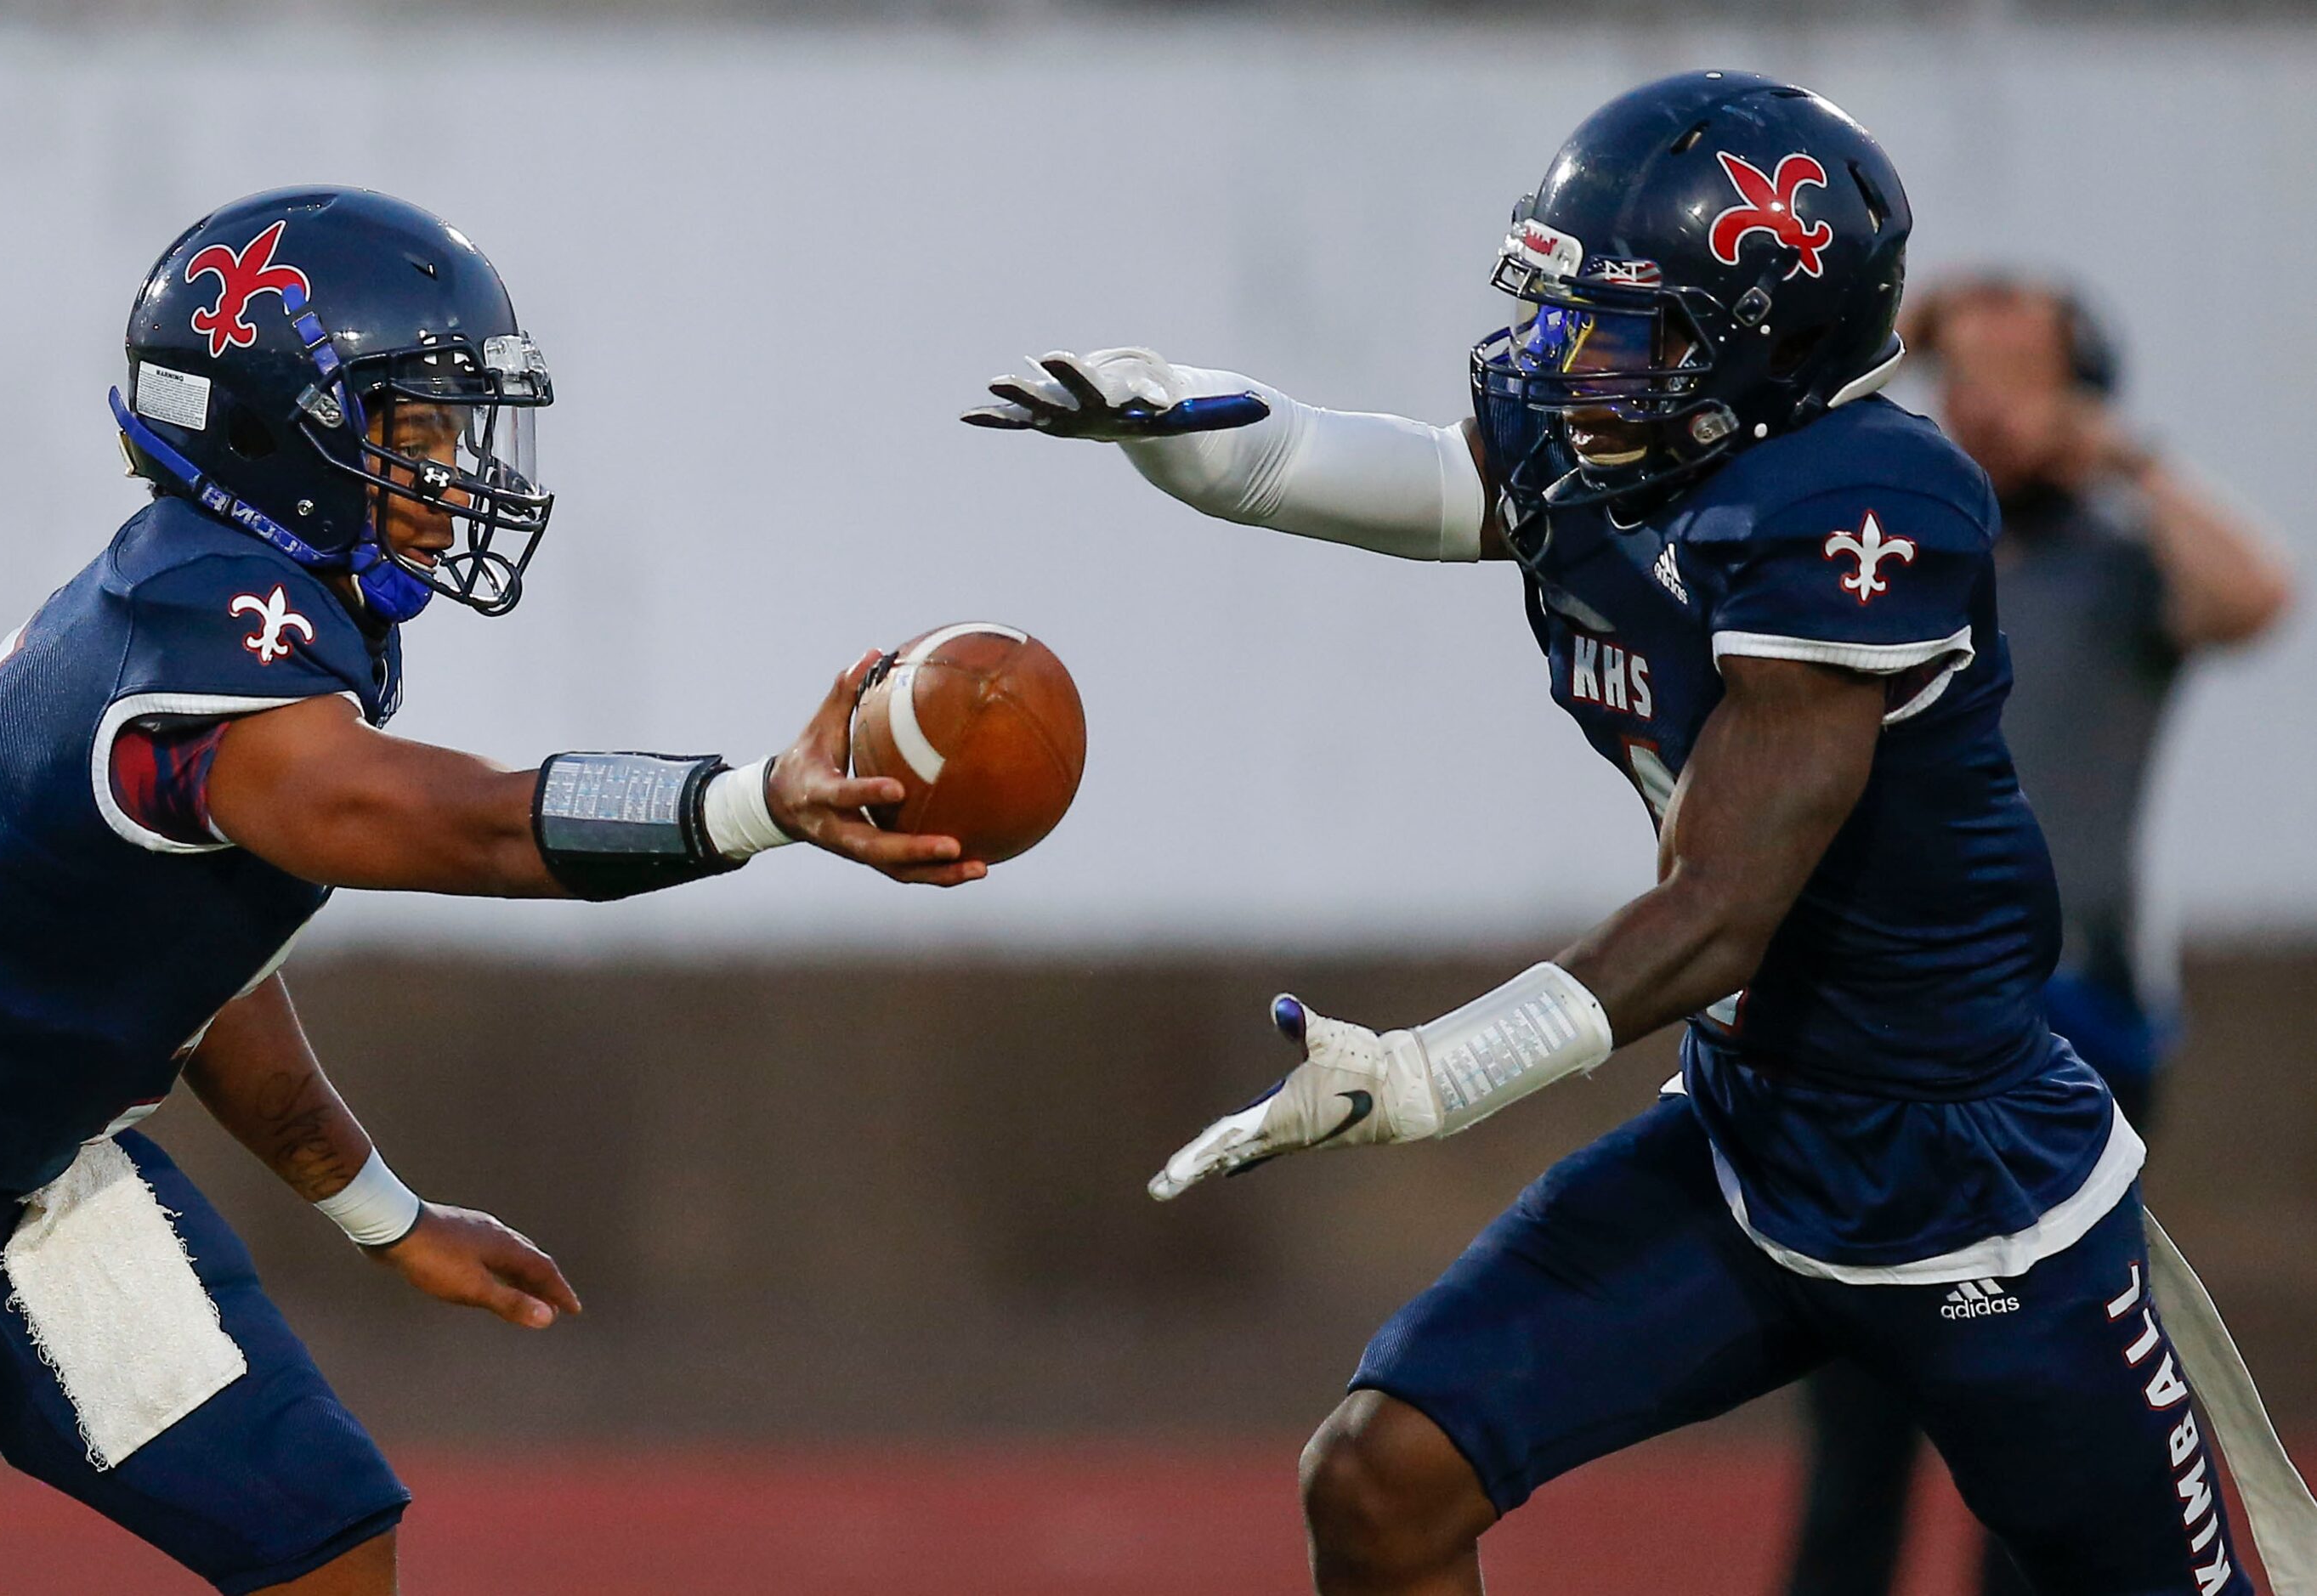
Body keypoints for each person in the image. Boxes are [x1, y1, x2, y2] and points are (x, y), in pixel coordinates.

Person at [970, 71, 2304, 1595]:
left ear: (1766, 351)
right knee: (1381, 1476)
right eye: (1559, 313)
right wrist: (1236, 451)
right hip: (1748, 1138)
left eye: (1618, 328)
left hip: (1967, 1181)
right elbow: (1451, 479)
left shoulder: (1861, 505)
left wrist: (1424, 1074)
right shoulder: (1629, 461)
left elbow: (1720, 910)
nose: (1562, 361)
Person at [0, 187, 977, 1596]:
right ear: (283, 429)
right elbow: (461, 832)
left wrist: (387, 1214)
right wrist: (752, 801)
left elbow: (204, 968)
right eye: (415, 431)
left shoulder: (258, 604)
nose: (455, 471)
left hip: (32, 1183)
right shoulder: (195, 631)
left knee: (323, 1544)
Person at [1780, 276, 2294, 1596]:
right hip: (1879, 1029)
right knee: (1861, 1390)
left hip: (2071, 1026)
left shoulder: (2122, 566)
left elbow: (2259, 593)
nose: (1988, 402)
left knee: (2044, 1385)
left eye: (2025, 375)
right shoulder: (1893, 558)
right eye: (1969, 372)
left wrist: (2121, 454)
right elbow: (1767, 464)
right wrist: (1874, 362)